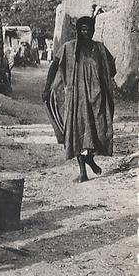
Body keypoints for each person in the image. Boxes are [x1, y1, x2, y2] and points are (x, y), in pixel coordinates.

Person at [42, 16, 116, 183]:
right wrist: (48, 88)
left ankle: (89, 158)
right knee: (76, 133)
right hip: (76, 99)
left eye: (89, 29)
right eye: (82, 29)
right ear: (78, 31)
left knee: (96, 129)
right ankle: (83, 171)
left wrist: (102, 80)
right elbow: (54, 65)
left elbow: (111, 67)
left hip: (96, 98)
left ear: (93, 30)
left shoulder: (100, 49)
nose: (86, 33)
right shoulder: (68, 48)